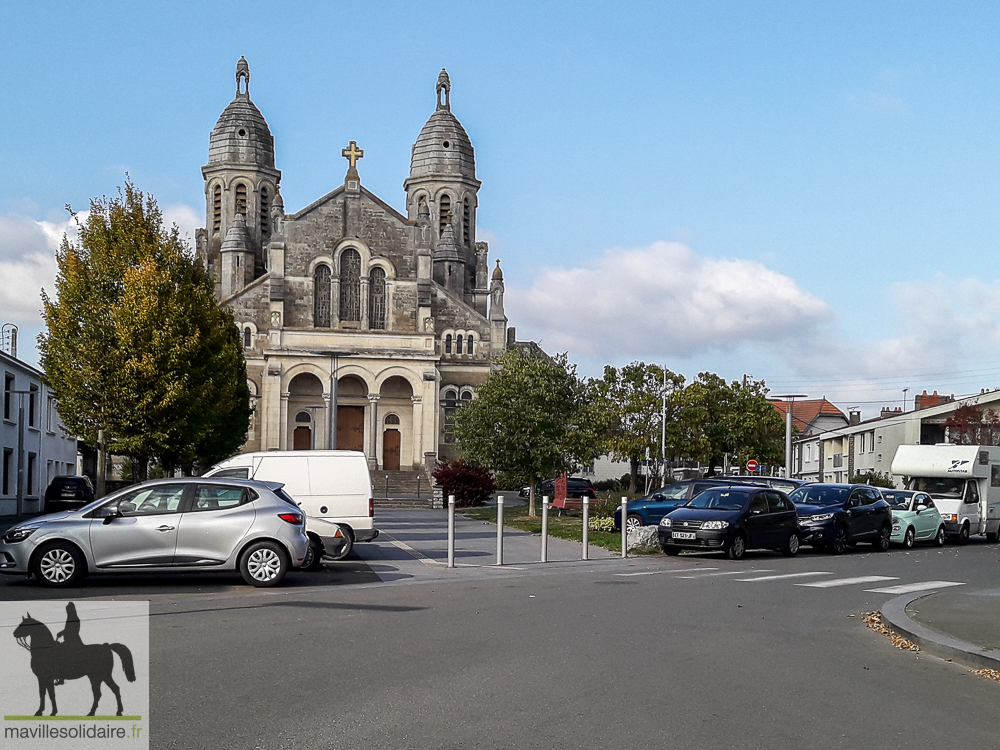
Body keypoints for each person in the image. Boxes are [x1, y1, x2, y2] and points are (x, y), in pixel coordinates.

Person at [54, 602, 82, 685]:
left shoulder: (74, 619)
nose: (67, 612)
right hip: (70, 640)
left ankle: (61, 676)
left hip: (73, 641)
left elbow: (72, 631)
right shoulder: (70, 618)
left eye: (68, 610)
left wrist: (61, 633)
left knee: (61, 655)